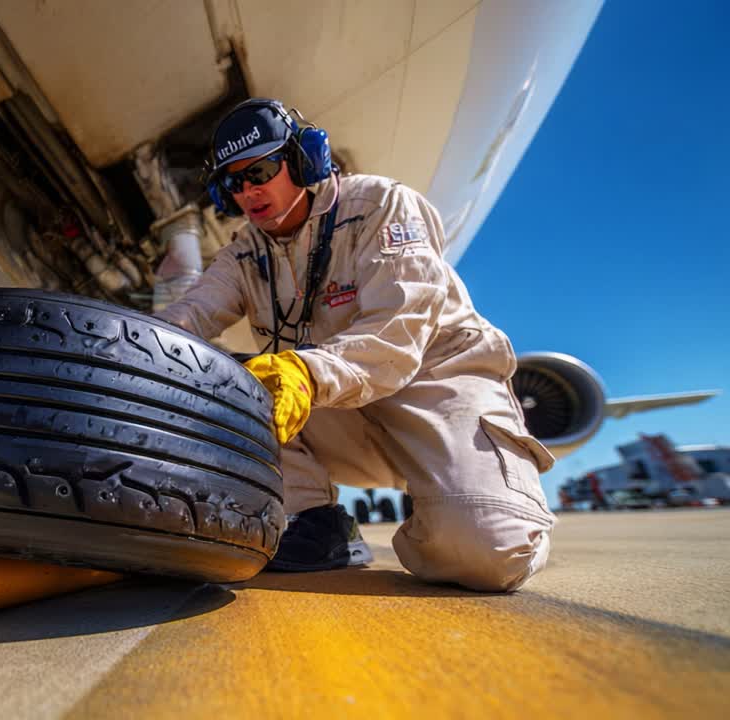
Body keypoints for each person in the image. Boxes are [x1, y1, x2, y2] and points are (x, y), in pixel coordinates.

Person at [156, 98, 556, 592]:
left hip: (432, 387)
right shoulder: (242, 255)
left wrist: (306, 371)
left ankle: (454, 497)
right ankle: (316, 523)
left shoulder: (382, 206)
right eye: (234, 182)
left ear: (303, 159)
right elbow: (184, 319)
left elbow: (399, 330)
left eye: (260, 169)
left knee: (489, 553)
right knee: (235, 383)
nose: (250, 190)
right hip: (335, 406)